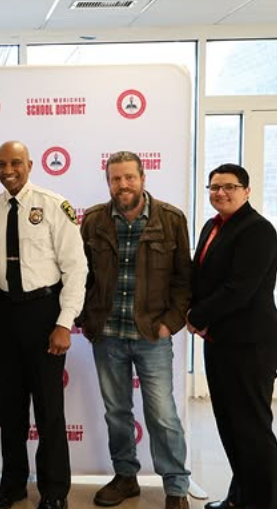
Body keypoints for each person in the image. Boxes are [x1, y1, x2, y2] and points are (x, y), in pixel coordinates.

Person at [79, 152, 191, 509]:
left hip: (152, 335)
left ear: (143, 178)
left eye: (129, 177)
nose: (123, 184)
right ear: (108, 182)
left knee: (162, 414)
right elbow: (80, 275)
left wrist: (170, 322)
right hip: (108, 335)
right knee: (117, 412)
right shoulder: (93, 220)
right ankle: (125, 477)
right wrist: (85, 318)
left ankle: (176, 487)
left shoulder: (171, 219)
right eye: (115, 179)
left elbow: (184, 280)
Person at [0, 141, 87, 509]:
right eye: (1, 164)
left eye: (16, 163)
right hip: (5, 314)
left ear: (30, 164)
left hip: (44, 313)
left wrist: (64, 323)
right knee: (9, 409)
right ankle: (12, 485)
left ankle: (54, 492)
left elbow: (76, 269)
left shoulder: (54, 205)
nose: (8, 170)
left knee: (48, 410)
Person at [187, 164, 277, 509]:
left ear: (247, 191)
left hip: (250, 346)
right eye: (214, 187)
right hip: (219, 343)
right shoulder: (213, 225)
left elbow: (239, 289)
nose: (220, 193)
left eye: (229, 187)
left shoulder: (258, 230)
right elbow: (201, 276)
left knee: (252, 429)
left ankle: (264, 502)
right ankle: (240, 498)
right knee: (230, 426)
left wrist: (196, 316)